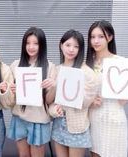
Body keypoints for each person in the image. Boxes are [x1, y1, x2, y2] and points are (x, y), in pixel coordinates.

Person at [86, 20, 128, 157]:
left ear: (110, 37)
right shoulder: (87, 64)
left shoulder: (120, 62)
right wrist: (90, 100)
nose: (96, 41)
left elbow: (123, 101)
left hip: (114, 118)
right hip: (94, 118)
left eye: (101, 36)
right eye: (93, 37)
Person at [7, 26, 56, 157]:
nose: (31, 47)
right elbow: (9, 100)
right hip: (19, 118)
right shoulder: (15, 65)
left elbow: (49, 101)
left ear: (42, 45)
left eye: (35, 43)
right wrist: (12, 91)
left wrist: (53, 86)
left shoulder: (50, 67)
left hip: (39, 120)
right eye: (28, 43)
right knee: (23, 155)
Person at [48, 29, 98, 157]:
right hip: (59, 125)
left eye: (76, 46)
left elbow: (86, 101)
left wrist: (66, 87)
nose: (71, 50)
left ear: (80, 49)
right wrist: (55, 110)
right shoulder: (56, 70)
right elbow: (50, 102)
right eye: (68, 45)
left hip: (77, 127)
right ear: (61, 45)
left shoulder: (87, 72)